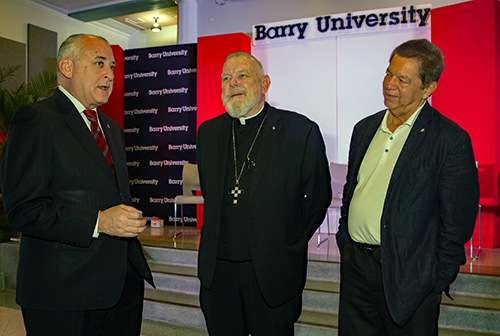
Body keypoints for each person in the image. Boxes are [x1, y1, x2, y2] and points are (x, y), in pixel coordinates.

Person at [0, 34, 154, 336]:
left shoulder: (111, 129)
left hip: (122, 288)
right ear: (67, 67)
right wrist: (100, 222)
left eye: (111, 66)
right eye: (99, 63)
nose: (109, 74)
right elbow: (23, 210)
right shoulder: (35, 119)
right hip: (64, 293)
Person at [336, 39, 479, 335]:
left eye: (403, 79)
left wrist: (435, 278)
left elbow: (458, 222)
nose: (390, 85)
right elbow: (352, 191)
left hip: (411, 278)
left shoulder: (449, 140)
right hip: (356, 271)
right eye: (389, 74)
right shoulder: (364, 129)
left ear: (428, 88)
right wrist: (346, 243)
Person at [196, 51, 331, 335]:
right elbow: (210, 192)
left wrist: (287, 240)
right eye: (226, 78)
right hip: (218, 275)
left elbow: (318, 198)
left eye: (242, 75)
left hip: (273, 272)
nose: (233, 83)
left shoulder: (300, 131)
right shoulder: (209, 132)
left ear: (265, 83)